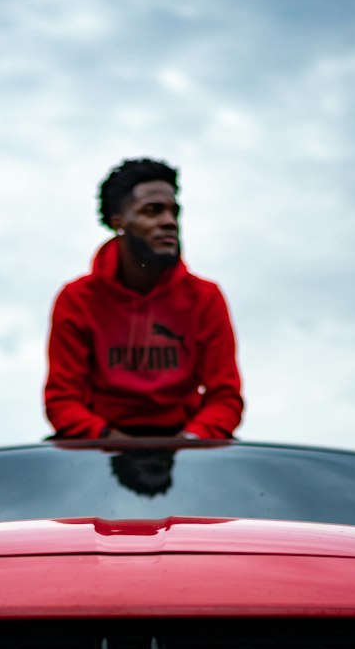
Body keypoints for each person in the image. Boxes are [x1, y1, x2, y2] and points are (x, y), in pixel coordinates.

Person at [44, 158, 243, 439]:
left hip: (185, 443)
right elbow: (62, 401)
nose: (169, 222)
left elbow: (225, 397)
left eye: (174, 212)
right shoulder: (77, 299)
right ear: (119, 223)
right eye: (153, 211)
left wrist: (188, 442)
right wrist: (113, 444)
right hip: (98, 444)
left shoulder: (205, 298)